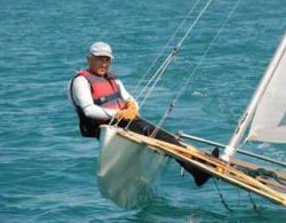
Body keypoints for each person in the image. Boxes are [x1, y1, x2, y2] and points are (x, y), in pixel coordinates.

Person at [69, 41, 210, 186]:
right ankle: (199, 170)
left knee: (166, 138)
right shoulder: (81, 81)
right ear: (89, 59)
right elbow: (88, 109)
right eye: (99, 59)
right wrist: (118, 114)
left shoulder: (112, 78)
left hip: (125, 123)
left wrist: (132, 107)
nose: (104, 64)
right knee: (162, 138)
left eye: (107, 60)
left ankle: (199, 168)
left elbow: (129, 98)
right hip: (107, 128)